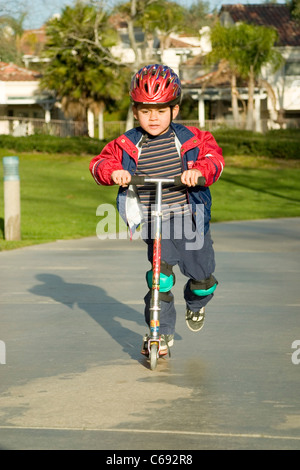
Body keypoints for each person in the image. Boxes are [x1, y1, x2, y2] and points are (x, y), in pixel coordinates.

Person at [90, 64, 224, 357]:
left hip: (190, 219)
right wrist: (114, 172)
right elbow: (100, 162)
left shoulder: (189, 138)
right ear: (135, 110)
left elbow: (213, 156)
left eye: (161, 110)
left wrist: (199, 170)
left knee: (201, 278)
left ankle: (196, 303)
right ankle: (159, 335)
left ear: (174, 110)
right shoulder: (128, 144)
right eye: (145, 110)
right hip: (155, 221)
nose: (153, 117)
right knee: (159, 279)